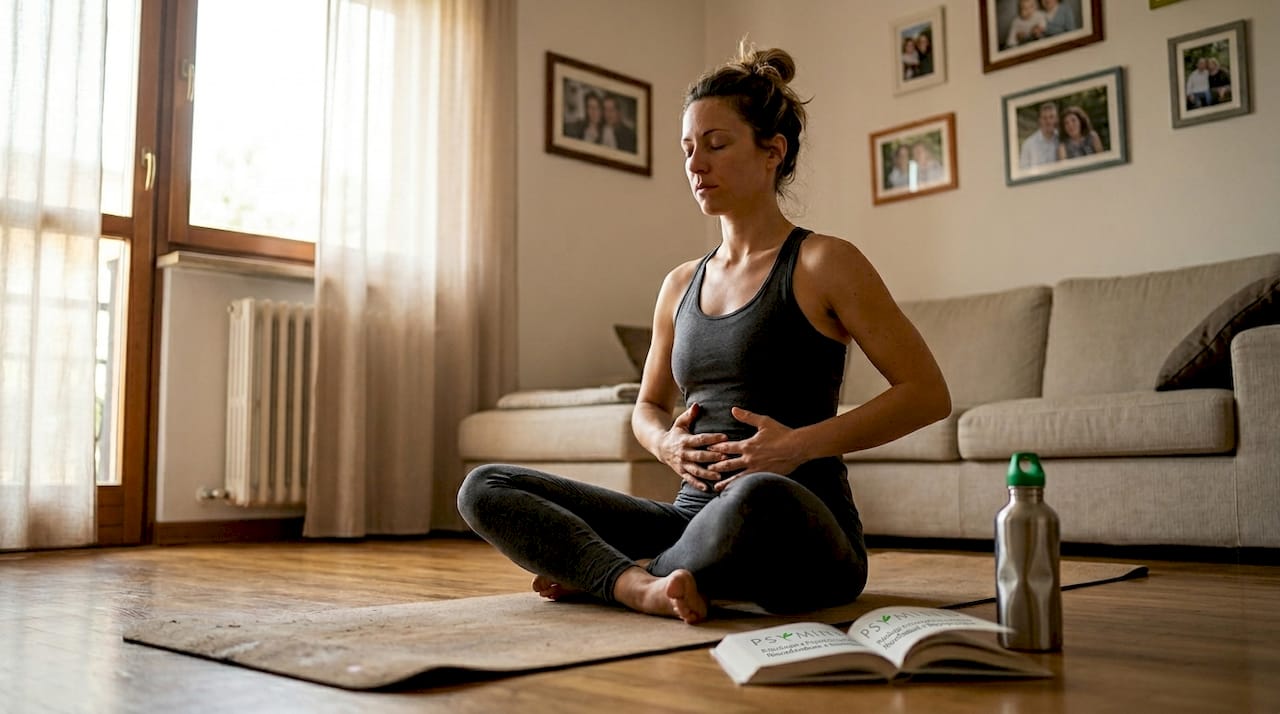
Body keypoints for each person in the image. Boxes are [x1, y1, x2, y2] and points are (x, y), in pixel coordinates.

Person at [457, 44, 950, 624]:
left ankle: (608, 573)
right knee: (485, 486)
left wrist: (795, 447)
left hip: (798, 526)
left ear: (773, 152)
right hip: (690, 520)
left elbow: (926, 393)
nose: (696, 165)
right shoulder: (679, 283)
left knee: (755, 496)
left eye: (716, 145)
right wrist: (665, 444)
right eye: (689, 150)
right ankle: (643, 582)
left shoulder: (823, 262)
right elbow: (647, 406)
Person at [1019, 101, 1059, 170]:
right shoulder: (1028, 144)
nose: (1048, 121)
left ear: (1056, 119)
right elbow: (1023, 172)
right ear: (1040, 120)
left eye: (1051, 117)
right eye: (1044, 118)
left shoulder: (1062, 140)